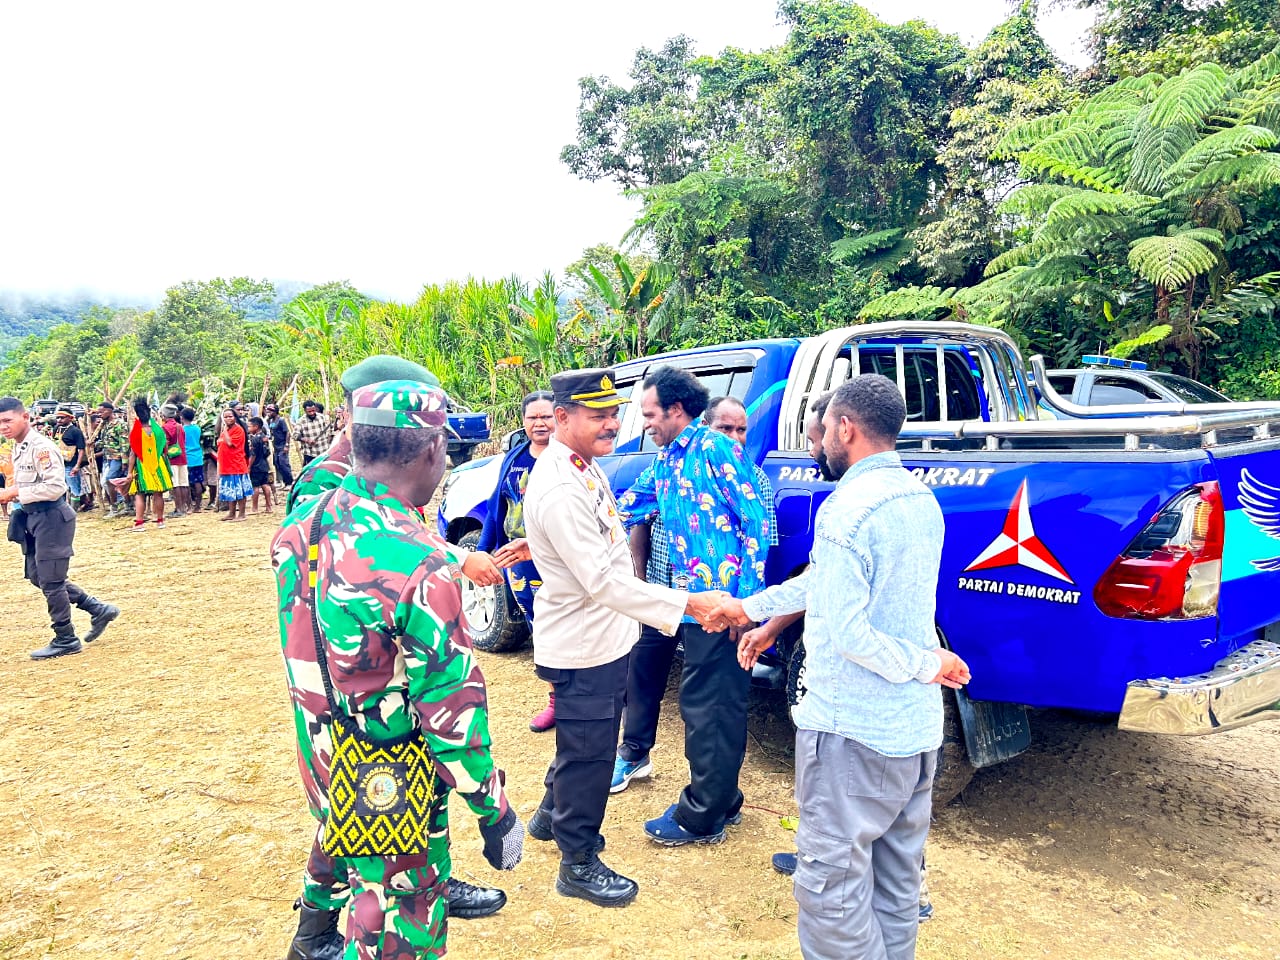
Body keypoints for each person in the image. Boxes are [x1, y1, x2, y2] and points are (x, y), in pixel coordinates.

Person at [710, 375, 971, 960]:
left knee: (832, 895)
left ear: (845, 428)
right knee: (896, 885)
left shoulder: (847, 509)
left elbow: (852, 636)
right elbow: (824, 583)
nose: (820, 442)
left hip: (854, 732)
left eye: (824, 429)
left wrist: (925, 662)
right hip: (913, 735)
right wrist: (751, 609)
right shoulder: (919, 498)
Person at [272, 378, 523, 960]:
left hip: (322, 748)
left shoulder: (304, 523)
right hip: (390, 769)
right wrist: (494, 809)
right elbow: (450, 710)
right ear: (433, 448)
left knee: (347, 848)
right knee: (399, 911)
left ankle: (311, 937)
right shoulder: (418, 562)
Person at [521, 367, 728, 908]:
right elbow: (602, 581)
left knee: (583, 738)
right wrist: (686, 604)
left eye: (615, 413)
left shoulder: (579, 464)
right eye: (598, 416)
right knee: (590, 754)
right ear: (562, 417)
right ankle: (578, 860)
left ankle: (549, 815)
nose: (612, 424)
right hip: (584, 642)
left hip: (604, 636)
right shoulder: (560, 485)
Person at [612, 367, 771, 847]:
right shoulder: (667, 461)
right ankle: (724, 798)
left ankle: (701, 815)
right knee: (710, 704)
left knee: (711, 707)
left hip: (724, 607)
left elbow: (756, 523)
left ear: (677, 410)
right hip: (693, 606)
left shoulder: (715, 449)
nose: (645, 425)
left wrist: (744, 605)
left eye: (650, 414)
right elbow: (626, 507)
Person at [0, 396, 119, 659]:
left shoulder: (41, 447)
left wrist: (15, 492)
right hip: (33, 517)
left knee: (51, 581)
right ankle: (97, 609)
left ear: (25, 417)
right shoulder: (19, 447)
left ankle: (65, 638)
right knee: (37, 576)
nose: (3, 427)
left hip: (52, 517)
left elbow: (56, 487)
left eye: (8, 420)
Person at [476, 390, 558, 732]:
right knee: (538, 627)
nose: (539, 423)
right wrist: (484, 549)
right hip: (519, 563)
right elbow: (497, 506)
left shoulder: (566, 459)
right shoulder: (515, 458)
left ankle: (580, 696)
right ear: (523, 421)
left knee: (565, 626)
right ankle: (556, 699)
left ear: (560, 418)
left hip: (558, 560)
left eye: (546, 416)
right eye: (532, 417)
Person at [124, 397, 173, 531]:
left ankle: (139, 524)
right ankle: (160, 522)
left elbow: (133, 453)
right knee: (158, 494)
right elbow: (165, 449)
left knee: (140, 494)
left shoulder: (136, 432)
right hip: (158, 464)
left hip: (142, 465)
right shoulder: (158, 430)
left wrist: (129, 472)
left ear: (137, 414)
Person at [217, 408, 251, 521]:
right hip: (226, 466)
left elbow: (229, 443)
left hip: (236, 465)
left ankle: (241, 514)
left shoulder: (238, 430)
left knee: (239, 491)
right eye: (225, 417)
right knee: (230, 491)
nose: (228, 419)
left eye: (230, 416)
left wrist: (224, 430)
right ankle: (231, 513)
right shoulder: (225, 430)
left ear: (235, 417)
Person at [54, 406, 89, 512]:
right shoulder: (56, 429)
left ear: (70, 418)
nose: (59, 420)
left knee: (74, 487)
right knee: (61, 487)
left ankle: (74, 509)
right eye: (58, 417)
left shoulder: (75, 431)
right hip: (59, 464)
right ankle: (62, 508)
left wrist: (77, 466)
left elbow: (81, 449)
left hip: (71, 464)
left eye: (62, 418)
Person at [97, 402, 129, 517]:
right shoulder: (105, 425)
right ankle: (123, 504)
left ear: (109, 411)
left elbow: (124, 444)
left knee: (110, 480)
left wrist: (124, 461)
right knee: (108, 482)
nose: (99, 414)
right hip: (108, 458)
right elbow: (105, 441)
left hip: (118, 458)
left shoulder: (120, 424)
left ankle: (116, 506)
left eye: (101, 412)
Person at [159, 404, 191, 517]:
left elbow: (165, 444)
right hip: (182, 457)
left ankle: (179, 509)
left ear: (164, 415)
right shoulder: (179, 426)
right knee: (183, 483)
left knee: (175, 484)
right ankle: (185, 508)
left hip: (172, 458)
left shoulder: (165, 427)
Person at [247, 417, 274, 513]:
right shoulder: (264, 437)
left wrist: (249, 466)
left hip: (256, 466)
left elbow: (253, 454)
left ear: (256, 427)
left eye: (249, 426)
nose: (248, 428)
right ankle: (269, 506)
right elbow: (267, 452)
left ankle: (254, 508)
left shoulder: (254, 439)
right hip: (264, 464)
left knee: (255, 487)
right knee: (265, 485)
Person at [181, 408, 205, 513]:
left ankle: (189, 506)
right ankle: (198, 506)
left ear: (182, 417)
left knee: (187, 484)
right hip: (198, 458)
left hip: (187, 458)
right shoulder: (197, 428)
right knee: (198, 482)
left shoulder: (182, 429)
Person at [295, 400, 334, 465]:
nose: (312, 413)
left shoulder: (322, 417)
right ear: (305, 411)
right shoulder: (301, 421)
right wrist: (306, 440)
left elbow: (331, 430)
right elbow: (295, 435)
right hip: (310, 454)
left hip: (324, 453)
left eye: (313, 410)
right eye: (309, 411)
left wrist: (329, 443)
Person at [266, 402, 294, 488]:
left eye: (270, 411)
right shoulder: (270, 421)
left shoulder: (281, 420)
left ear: (275, 412)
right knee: (277, 463)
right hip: (275, 446)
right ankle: (283, 482)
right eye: (267, 411)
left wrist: (287, 445)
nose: (268, 413)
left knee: (283, 463)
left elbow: (287, 433)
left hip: (282, 445)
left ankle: (289, 482)